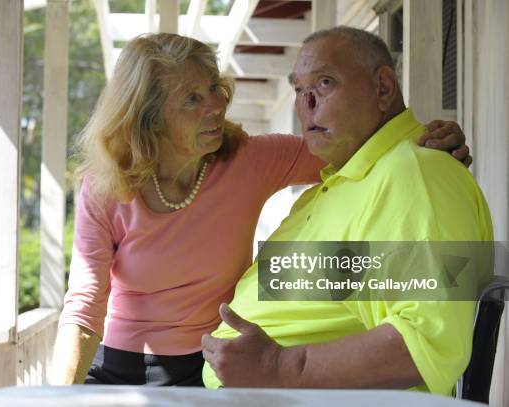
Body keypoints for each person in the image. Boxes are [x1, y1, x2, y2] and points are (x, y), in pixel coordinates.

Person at [51, 32, 472, 387]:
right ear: (150, 120)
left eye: (214, 87)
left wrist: (423, 139)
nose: (216, 105)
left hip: (218, 371)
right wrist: (58, 396)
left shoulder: (252, 160)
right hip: (133, 365)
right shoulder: (106, 187)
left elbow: (362, 142)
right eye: (192, 98)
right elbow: (85, 304)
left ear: (383, 87)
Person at [201, 27, 493, 396]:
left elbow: (425, 341)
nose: (307, 105)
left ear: (383, 89)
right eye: (298, 90)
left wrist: (278, 367)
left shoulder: (415, 175)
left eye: (324, 83)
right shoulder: (342, 180)